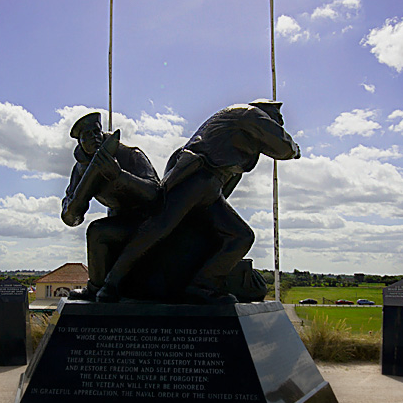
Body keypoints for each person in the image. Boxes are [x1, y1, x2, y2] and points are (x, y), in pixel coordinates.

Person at [96, 101, 300, 304]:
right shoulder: (249, 113)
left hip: (210, 188)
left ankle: (201, 286)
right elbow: (281, 146)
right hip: (196, 179)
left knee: (241, 236)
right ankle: (111, 283)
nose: (279, 125)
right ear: (267, 115)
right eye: (277, 121)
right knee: (156, 230)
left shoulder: (242, 136)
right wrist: (294, 149)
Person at [61, 112, 160, 298]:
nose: (94, 138)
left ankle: (98, 288)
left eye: (96, 131)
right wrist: (79, 198)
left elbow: (155, 193)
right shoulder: (80, 169)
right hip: (118, 221)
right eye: (87, 135)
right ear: (79, 142)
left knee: (98, 230)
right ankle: (96, 288)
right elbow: (71, 217)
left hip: (148, 222)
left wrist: (120, 176)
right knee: (98, 232)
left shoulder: (131, 155)